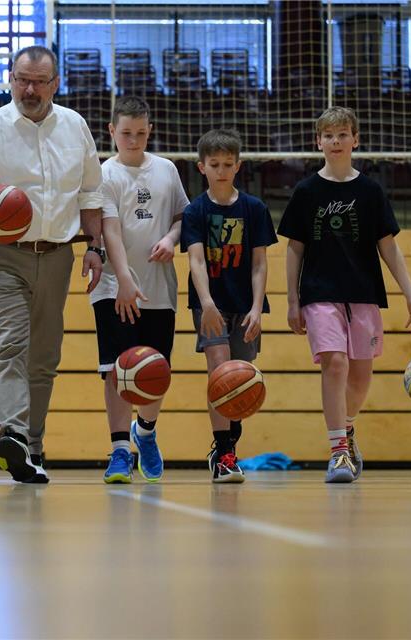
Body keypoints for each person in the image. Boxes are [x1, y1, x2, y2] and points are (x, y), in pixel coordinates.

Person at [0, 45, 105, 484]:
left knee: (43, 358)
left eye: (40, 81)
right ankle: (14, 432)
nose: (29, 88)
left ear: (55, 83)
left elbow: (91, 195)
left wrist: (95, 247)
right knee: (11, 346)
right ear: (11, 77)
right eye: (22, 79)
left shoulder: (75, 126)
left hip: (58, 254)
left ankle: (32, 446)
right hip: (1, 256)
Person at [278, 106, 411, 483]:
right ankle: (338, 453)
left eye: (343, 134)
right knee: (336, 364)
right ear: (319, 142)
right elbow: (294, 247)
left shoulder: (370, 190)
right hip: (318, 294)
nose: (336, 141)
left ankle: (347, 428)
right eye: (329, 136)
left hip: (362, 293)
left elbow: (388, 247)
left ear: (355, 140)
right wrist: (293, 300)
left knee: (360, 378)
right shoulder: (307, 190)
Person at [91, 97, 190, 484]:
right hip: (115, 289)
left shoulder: (166, 170)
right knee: (117, 371)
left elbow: (184, 216)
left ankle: (145, 432)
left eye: (140, 133)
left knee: (154, 371)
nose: (133, 140)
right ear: (112, 131)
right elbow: (110, 230)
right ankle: (118, 451)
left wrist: (171, 237)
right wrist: (124, 279)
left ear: (149, 131)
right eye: (126, 133)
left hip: (159, 289)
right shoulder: (104, 174)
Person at [181, 129, 277, 483]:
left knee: (241, 379)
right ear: (202, 167)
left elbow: (259, 264)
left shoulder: (254, 209)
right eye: (214, 164)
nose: (221, 170)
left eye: (227, 164)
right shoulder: (195, 210)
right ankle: (224, 454)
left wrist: (256, 308)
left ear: (238, 165)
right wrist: (206, 303)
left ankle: (227, 444)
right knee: (219, 373)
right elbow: (196, 262)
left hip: (245, 305)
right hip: (211, 304)